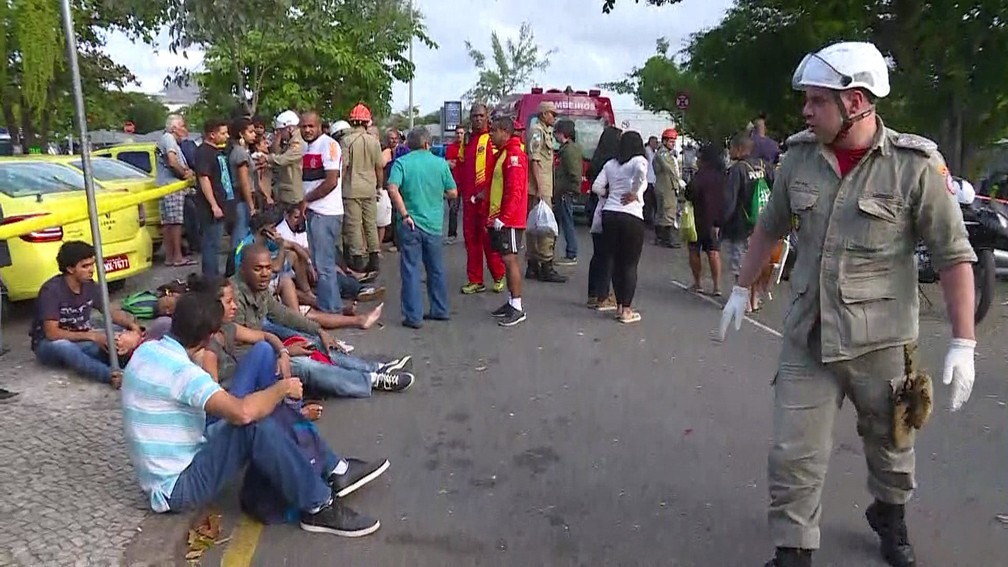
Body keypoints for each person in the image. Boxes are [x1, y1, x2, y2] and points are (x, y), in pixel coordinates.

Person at [718, 41, 978, 567]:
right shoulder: (798, 158)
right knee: (793, 454)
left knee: (892, 447)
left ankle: (890, 515)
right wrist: (741, 290)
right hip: (808, 335)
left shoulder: (914, 167)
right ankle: (794, 550)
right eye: (807, 100)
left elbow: (954, 256)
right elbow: (769, 227)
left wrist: (964, 342)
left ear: (855, 102)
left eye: (817, 100)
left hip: (882, 342)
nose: (806, 110)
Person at [122, 293, 388, 537]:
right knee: (255, 424)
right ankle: (318, 505)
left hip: (176, 459)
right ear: (207, 338)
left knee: (264, 390)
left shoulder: (148, 350)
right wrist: (282, 389)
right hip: (176, 488)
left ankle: (331, 468)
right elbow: (243, 413)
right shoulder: (184, 374)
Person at [232, 244, 414, 395]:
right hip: (241, 367)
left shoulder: (259, 287)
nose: (265, 273)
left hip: (263, 347)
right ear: (243, 269)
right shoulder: (233, 298)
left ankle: (377, 368)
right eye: (258, 269)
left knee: (314, 343)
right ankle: (374, 380)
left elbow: (283, 314)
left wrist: (318, 331)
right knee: (305, 364)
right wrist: (285, 351)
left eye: (268, 268)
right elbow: (240, 349)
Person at [31, 241, 143, 388]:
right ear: (70, 269)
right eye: (85, 266)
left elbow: (110, 312)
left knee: (117, 336)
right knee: (66, 347)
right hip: (49, 345)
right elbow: (52, 333)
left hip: (82, 335)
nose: (91, 270)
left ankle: (138, 365)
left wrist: (132, 326)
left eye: (92, 264)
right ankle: (111, 375)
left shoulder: (90, 285)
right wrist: (93, 336)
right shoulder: (51, 290)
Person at [386, 127, 457, 329]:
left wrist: (404, 214)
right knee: (436, 269)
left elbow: (392, 188)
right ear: (427, 143)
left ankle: (413, 316)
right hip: (433, 225)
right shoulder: (440, 163)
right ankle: (440, 309)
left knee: (411, 270)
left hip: (409, 223)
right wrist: (437, 194)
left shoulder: (401, 163)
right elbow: (453, 192)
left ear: (409, 145)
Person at [591, 131, 649, 324]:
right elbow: (641, 172)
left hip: (609, 213)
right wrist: (634, 192)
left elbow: (596, 187)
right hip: (631, 215)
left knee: (615, 261)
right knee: (630, 263)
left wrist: (609, 195)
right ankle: (627, 310)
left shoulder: (611, 164)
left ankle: (618, 306)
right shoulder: (638, 160)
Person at [300, 111, 345, 316]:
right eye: (304, 126)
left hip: (325, 213)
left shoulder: (329, 145)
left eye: (311, 126)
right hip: (313, 211)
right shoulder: (308, 147)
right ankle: (330, 304)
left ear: (320, 127)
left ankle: (331, 309)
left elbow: (331, 181)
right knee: (320, 262)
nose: (307, 130)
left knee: (324, 264)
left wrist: (307, 199)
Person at [486, 118, 530, 327]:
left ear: (505, 132)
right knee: (505, 258)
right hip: (500, 218)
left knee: (510, 259)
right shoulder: (503, 153)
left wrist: (505, 218)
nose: (490, 135)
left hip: (509, 220)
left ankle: (517, 306)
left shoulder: (514, 155)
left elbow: (515, 190)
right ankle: (511, 301)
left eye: (494, 131)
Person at [722, 132, 773, 310]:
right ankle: (754, 299)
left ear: (739, 149)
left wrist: (721, 222)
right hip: (762, 222)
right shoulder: (764, 166)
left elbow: (730, 199)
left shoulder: (738, 169)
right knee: (757, 261)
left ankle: (743, 301)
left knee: (740, 264)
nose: (729, 152)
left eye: (731, 148)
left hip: (741, 224)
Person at [459, 103, 506, 295]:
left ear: (487, 117)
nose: (478, 119)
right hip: (469, 200)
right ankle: (475, 280)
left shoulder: (492, 139)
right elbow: (461, 166)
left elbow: (498, 170)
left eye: (481, 116)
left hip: (487, 199)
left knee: (489, 239)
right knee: (471, 240)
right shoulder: (467, 140)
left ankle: (499, 275)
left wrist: (488, 192)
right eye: (474, 116)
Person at [340, 104, 384, 273]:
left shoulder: (347, 141)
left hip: (351, 189)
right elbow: (379, 167)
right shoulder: (374, 142)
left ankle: (358, 261)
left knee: (354, 225)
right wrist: (379, 186)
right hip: (370, 188)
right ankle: (374, 259)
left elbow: (344, 167)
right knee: (370, 224)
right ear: (367, 122)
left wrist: (338, 187)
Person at [525, 101, 566, 283]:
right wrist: (540, 188)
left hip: (543, 186)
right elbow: (534, 160)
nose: (554, 118)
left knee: (536, 226)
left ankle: (534, 265)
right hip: (539, 188)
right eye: (552, 114)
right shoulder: (537, 131)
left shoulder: (545, 131)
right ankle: (545, 265)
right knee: (545, 227)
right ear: (543, 114)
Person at [194, 118, 236, 276]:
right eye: (223, 133)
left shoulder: (216, 151)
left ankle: (214, 275)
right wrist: (214, 205)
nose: (227, 136)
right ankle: (210, 278)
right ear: (212, 134)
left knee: (216, 243)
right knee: (211, 244)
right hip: (211, 207)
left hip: (222, 201)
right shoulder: (204, 152)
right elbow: (204, 178)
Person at [585, 127, 621, 311]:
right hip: (607, 208)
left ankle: (593, 294)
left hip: (594, 208)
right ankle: (603, 295)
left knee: (598, 254)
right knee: (608, 255)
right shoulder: (612, 163)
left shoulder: (596, 160)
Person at [684, 144, 726, 296]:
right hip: (716, 219)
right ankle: (717, 286)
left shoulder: (700, 175)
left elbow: (690, 192)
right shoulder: (723, 175)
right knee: (714, 252)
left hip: (698, 218)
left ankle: (698, 284)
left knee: (694, 250)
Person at [155, 114, 196, 266]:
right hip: (172, 186)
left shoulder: (166, 140)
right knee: (175, 222)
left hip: (164, 185)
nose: (185, 129)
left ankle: (170, 257)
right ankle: (177, 257)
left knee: (167, 223)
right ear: (174, 128)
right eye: (182, 126)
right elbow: (172, 162)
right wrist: (185, 174)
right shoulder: (169, 139)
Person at [262, 110, 305, 210]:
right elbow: (278, 153)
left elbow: (283, 159)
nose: (280, 134)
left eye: (281, 131)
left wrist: (266, 158)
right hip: (287, 191)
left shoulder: (298, 142)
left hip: (294, 193)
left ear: (289, 128)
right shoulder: (291, 141)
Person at [552, 119, 581, 266]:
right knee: (561, 221)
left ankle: (571, 253)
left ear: (562, 133)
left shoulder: (568, 151)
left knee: (567, 221)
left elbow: (573, 172)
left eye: (556, 133)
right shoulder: (568, 149)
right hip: (564, 191)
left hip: (565, 191)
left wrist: (571, 189)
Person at [652, 128, 684, 248]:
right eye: (671, 141)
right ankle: (667, 238)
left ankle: (660, 237)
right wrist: (678, 180)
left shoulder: (667, 154)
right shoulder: (663, 154)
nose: (673, 144)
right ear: (664, 141)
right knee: (668, 212)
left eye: (674, 142)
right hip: (666, 186)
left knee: (663, 212)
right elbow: (669, 168)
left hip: (666, 186)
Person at [444, 125, 466, 244]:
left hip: (466, 183)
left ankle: (470, 235)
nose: (459, 135)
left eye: (461, 133)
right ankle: (452, 235)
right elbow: (449, 164)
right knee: (453, 210)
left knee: (469, 211)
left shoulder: (468, 147)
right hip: (454, 184)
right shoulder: (451, 148)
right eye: (457, 133)